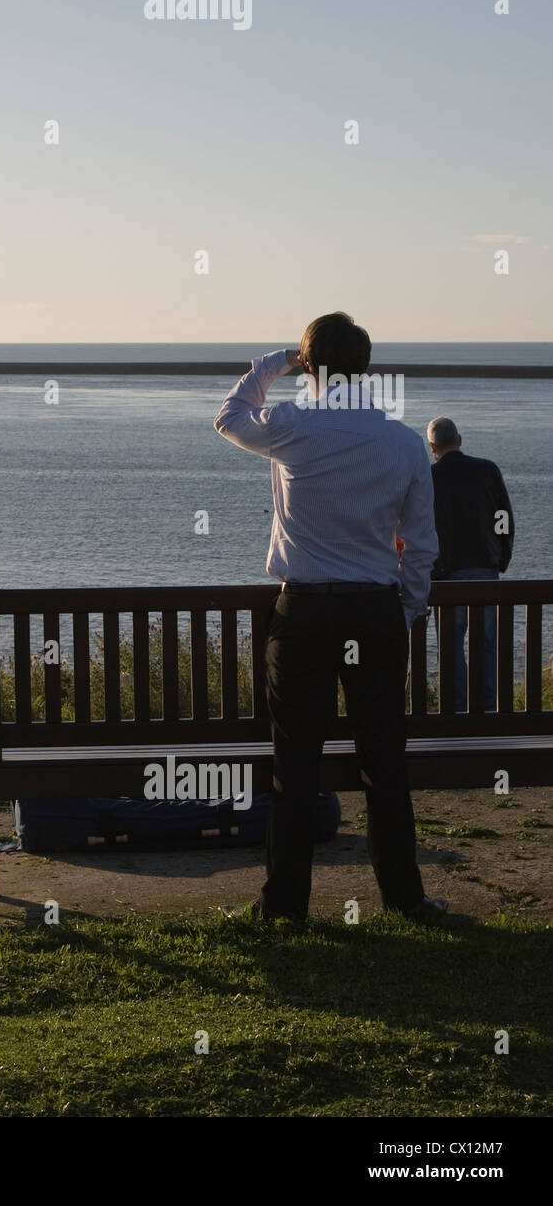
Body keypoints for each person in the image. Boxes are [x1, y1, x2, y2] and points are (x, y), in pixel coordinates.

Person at [214, 312, 445, 921]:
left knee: (294, 765)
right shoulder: (402, 442)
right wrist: (406, 610)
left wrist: (273, 363)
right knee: (384, 762)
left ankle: (284, 905)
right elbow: (421, 546)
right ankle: (405, 897)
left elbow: (229, 417)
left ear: (310, 367)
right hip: (374, 614)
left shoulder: (292, 425)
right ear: (367, 368)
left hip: (306, 613)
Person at [426, 417, 513, 713]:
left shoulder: (429, 477)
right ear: (459, 440)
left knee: (451, 648)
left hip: (446, 576)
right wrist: (501, 558)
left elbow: (418, 526)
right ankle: (488, 708)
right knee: (487, 645)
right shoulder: (488, 470)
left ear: (432, 446)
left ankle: (456, 710)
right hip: (484, 571)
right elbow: (503, 519)